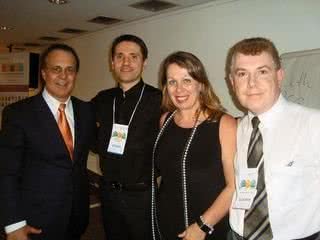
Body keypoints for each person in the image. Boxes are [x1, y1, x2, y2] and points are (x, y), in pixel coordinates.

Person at [0, 43, 96, 240]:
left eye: (70, 70)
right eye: (56, 69)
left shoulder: (85, 111)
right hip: (35, 221)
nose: (64, 76)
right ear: (44, 73)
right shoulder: (18, 114)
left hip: (76, 216)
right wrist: (14, 224)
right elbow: (6, 172)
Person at [227, 37, 320, 240]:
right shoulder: (239, 128)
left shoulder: (314, 124)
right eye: (242, 74)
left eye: (262, 72)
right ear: (232, 82)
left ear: (279, 76)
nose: (252, 83)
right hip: (237, 235)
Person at [151, 51, 236, 240]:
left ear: (201, 84)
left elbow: (234, 186)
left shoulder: (224, 124)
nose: (179, 89)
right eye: (172, 81)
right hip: (167, 221)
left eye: (187, 80)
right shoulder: (165, 120)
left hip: (208, 227)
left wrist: (202, 226)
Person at [91, 34, 161, 240]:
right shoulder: (103, 99)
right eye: (120, 56)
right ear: (112, 63)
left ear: (144, 62)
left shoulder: (158, 99)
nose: (126, 62)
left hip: (142, 195)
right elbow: (81, 126)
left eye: (133, 56)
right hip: (109, 193)